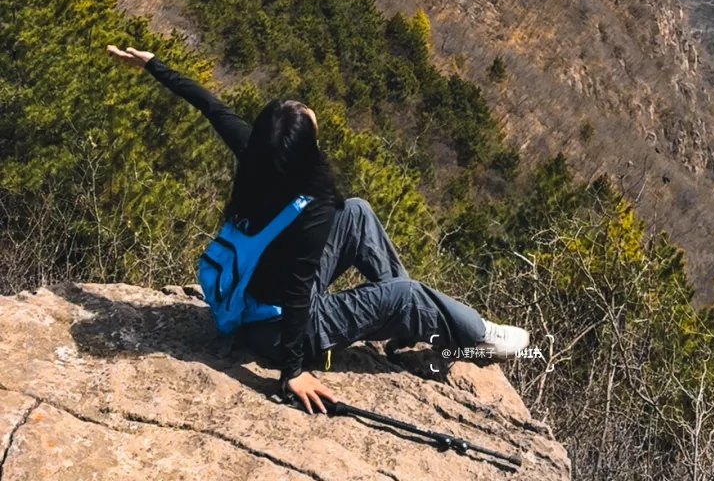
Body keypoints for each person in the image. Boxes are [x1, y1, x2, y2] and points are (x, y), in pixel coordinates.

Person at [106, 45, 530, 414]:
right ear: (303, 149)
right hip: (278, 330)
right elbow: (295, 293)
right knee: (407, 293)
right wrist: (292, 372)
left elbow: (211, 106)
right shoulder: (312, 210)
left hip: (258, 297)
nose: (308, 109)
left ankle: (406, 324)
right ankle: (479, 336)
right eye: (305, 117)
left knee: (359, 212)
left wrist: (153, 65)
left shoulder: (256, 156)